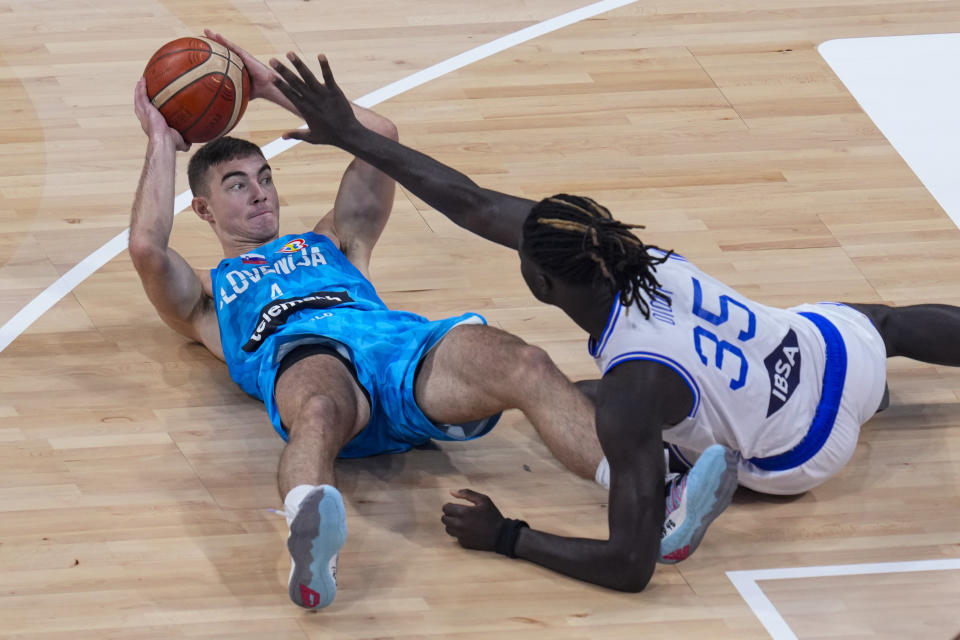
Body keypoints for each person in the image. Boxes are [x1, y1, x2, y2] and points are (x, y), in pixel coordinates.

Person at [268, 50, 960, 574]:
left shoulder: (632, 388)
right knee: (885, 322)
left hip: (800, 454)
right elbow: (473, 202)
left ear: (542, 284)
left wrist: (508, 536)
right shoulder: (632, 253)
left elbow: (629, 569)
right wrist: (349, 134)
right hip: (828, 359)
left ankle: (676, 493)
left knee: (595, 413)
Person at [128, 33, 737, 610]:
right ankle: (310, 535)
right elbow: (148, 249)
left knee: (524, 361)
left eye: (265, 178)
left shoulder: (330, 240)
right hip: (313, 366)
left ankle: (655, 502)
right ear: (203, 209)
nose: (260, 194)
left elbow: (380, 137)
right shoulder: (209, 298)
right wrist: (161, 140)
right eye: (237, 186)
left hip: (404, 355)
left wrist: (264, 87)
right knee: (317, 404)